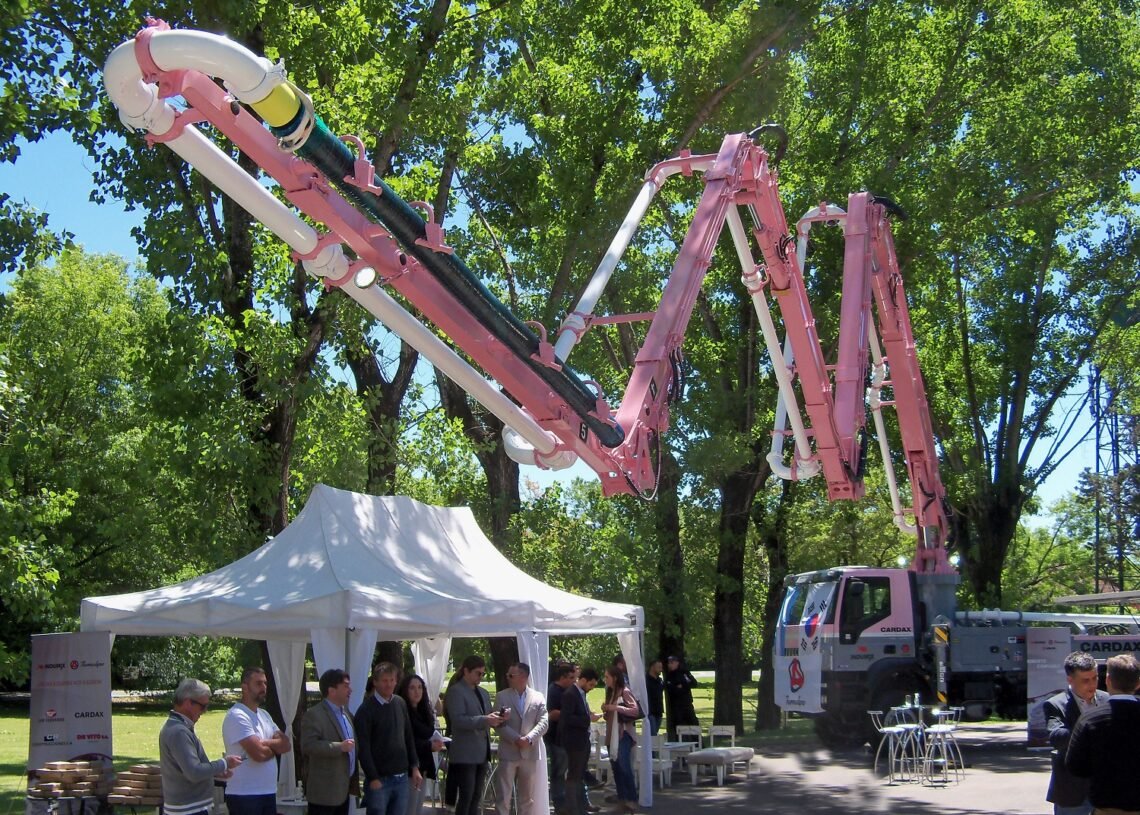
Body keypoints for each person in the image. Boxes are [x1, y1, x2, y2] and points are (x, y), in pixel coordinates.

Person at [1065, 653, 1140, 814]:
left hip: (1107, 806)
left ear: (1108, 681)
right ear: (1138, 683)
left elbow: (1075, 766)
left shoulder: (1090, 719)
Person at [159, 678, 242, 815]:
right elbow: (194, 772)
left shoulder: (179, 727)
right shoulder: (179, 731)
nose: (204, 711)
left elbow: (186, 769)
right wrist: (224, 763)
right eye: (202, 706)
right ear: (187, 703)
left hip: (188, 808)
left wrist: (214, 773)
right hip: (187, 809)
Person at [1044, 651, 1108, 815]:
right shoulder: (1055, 704)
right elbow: (1056, 737)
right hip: (1072, 791)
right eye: (1085, 680)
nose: (1092, 685)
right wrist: (1089, 730)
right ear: (1070, 680)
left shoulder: (1107, 699)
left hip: (1106, 789)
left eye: (1095, 678)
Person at [355, 662, 423, 815]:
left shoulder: (400, 703)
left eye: (392, 680)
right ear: (376, 682)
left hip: (401, 777)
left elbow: (408, 737)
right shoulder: (366, 710)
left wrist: (414, 766)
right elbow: (363, 748)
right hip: (380, 779)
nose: (389, 684)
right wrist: (372, 777)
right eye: (385, 680)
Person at [221, 667, 292, 815]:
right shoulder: (237, 716)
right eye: (258, 683)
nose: (264, 688)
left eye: (265, 683)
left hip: (268, 791)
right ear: (244, 687)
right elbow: (258, 754)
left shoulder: (264, 715)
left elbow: (286, 745)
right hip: (244, 794)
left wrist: (264, 743)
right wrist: (273, 747)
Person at [444, 655, 507, 815]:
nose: (481, 677)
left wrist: (499, 717)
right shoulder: (456, 692)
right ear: (466, 671)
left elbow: (487, 715)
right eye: (478, 673)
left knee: (477, 796)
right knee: (466, 795)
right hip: (465, 753)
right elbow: (458, 720)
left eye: (483, 674)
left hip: (481, 752)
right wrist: (485, 719)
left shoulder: (484, 693)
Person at [493, 663, 549, 815]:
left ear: (523, 677)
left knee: (527, 798)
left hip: (529, 753)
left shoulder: (538, 697)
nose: (508, 678)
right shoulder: (502, 696)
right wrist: (516, 738)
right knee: (503, 796)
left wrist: (529, 738)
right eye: (507, 675)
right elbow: (498, 723)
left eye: (511, 675)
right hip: (508, 751)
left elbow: (544, 722)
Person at [300, 669, 358, 815]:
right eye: (345, 686)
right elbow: (308, 745)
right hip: (324, 795)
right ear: (332, 690)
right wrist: (340, 747)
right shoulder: (314, 715)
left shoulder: (346, 714)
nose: (350, 690)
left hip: (343, 791)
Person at [397, 673, 445, 815]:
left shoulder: (424, 711)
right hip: (408, 767)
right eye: (412, 688)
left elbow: (428, 733)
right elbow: (405, 740)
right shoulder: (402, 711)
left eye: (419, 687)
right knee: (409, 808)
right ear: (405, 690)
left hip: (424, 764)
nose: (417, 691)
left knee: (418, 807)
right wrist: (428, 746)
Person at [559, 667, 601, 815]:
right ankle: (572, 807)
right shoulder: (570, 694)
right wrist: (587, 718)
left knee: (579, 774)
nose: (591, 688)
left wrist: (588, 715)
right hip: (574, 741)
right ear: (583, 680)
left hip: (582, 739)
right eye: (590, 685)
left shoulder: (580, 693)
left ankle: (580, 805)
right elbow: (567, 718)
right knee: (574, 775)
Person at [601, 666, 639, 813]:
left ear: (615, 677)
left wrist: (615, 708)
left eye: (607, 677)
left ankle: (632, 799)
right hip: (612, 735)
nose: (605, 680)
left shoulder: (625, 691)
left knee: (624, 766)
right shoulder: (611, 693)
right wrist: (606, 710)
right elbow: (610, 714)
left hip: (623, 735)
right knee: (616, 768)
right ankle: (622, 799)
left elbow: (634, 710)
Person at [546, 662, 577, 815]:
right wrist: (571, 714)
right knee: (558, 772)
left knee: (564, 770)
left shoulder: (566, 691)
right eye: (571, 678)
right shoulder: (554, 691)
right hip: (556, 738)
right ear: (563, 677)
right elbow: (551, 713)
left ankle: (565, 802)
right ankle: (559, 804)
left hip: (565, 738)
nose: (574, 681)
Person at [664, 656, 699, 738]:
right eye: (669, 663)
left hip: (687, 703)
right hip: (676, 705)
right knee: (679, 725)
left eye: (672, 663)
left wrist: (683, 685)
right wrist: (678, 687)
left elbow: (694, 683)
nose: (670, 665)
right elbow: (669, 688)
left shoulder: (684, 673)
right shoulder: (669, 676)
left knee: (693, 723)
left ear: (677, 663)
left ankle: (698, 742)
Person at [644, 660, 665, 737]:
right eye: (659, 667)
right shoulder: (646, 680)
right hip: (650, 711)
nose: (661, 670)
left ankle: (654, 748)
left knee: (655, 733)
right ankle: (653, 749)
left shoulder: (660, 681)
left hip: (658, 711)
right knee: (653, 735)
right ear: (652, 667)